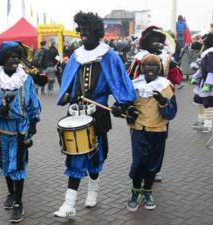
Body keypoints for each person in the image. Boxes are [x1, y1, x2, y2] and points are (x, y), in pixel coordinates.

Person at [54, 11, 136, 217]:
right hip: (75, 113)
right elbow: (70, 82)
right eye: (81, 31)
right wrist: (67, 95)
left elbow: (120, 82)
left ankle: (93, 189)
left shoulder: (109, 56)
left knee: (96, 154)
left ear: (97, 32)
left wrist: (122, 104)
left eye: (87, 31)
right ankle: (69, 203)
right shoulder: (76, 56)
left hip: (98, 112)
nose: (83, 34)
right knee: (75, 155)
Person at [0, 41, 41, 223]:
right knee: (4, 163)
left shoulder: (26, 79)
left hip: (21, 128)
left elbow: (33, 104)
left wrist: (32, 125)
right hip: (3, 129)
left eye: (17, 56)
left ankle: (18, 203)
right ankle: (10, 193)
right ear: (3, 59)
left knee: (19, 166)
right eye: (11, 57)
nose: (15, 60)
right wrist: (0, 109)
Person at [124, 54, 177, 211]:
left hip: (158, 130)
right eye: (147, 65)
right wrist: (126, 110)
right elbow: (126, 107)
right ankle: (135, 191)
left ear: (159, 68)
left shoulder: (166, 86)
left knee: (153, 163)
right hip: (139, 130)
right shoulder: (134, 84)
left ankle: (147, 191)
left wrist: (162, 102)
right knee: (139, 162)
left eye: (154, 66)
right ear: (142, 68)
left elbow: (171, 113)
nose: (150, 69)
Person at [191, 33, 213, 132]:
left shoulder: (212, 53)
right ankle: (201, 121)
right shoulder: (207, 52)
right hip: (203, 81)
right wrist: (196, 77)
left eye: (203, 40)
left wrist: (208, 84)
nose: (201, 41)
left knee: (208, 103)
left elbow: (212, 70)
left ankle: (207, 125)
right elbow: (202, 69)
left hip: (210, 83)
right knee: (198, 100)